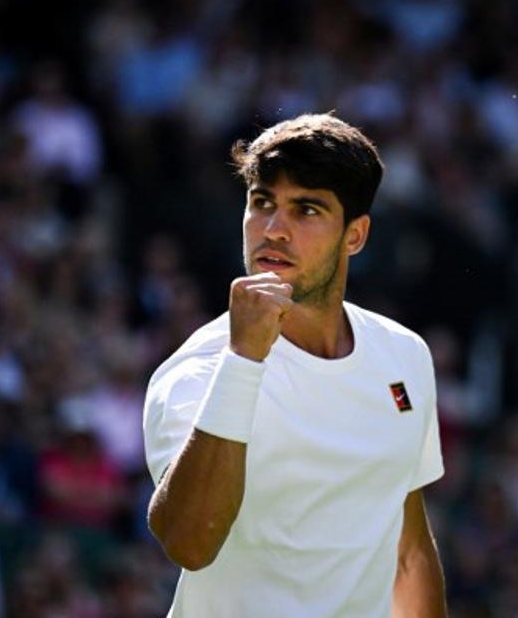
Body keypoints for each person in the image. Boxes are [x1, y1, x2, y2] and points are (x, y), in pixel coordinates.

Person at [143, 113, 446, 617]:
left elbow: (408, 553)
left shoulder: (405, 357)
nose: (275, 230)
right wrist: (245, 360)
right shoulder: (197, 369)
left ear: (355, 235)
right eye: (262, 203)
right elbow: (189, 543)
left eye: (306, 210)